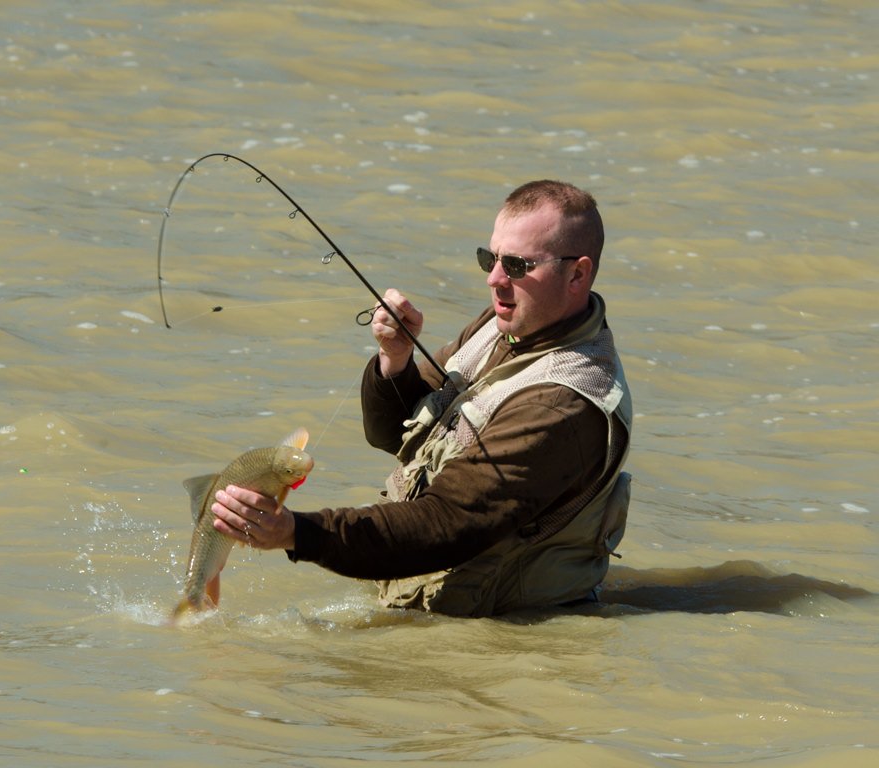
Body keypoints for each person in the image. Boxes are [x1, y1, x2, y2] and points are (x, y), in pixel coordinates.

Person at [211, 180, 634, 617]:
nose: (494, 279)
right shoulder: (506, 324)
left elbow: (447, 522)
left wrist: (295, 532)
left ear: (577, 274)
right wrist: (395, 361)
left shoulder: (564, 403)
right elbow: (393, 432)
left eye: (517, 265)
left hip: (501, 634)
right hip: (426, 594)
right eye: (489, 259)